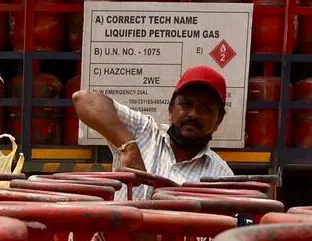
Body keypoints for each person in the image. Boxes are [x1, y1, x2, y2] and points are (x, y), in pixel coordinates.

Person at [72, 65, 233, 200]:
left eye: (205, 109)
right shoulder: (143, 132)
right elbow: (84, 100)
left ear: (218, 121)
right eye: (186, 104)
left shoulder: (222, 176)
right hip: (121, 238)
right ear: (171, 109)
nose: (193, 114)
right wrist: (128, 147)